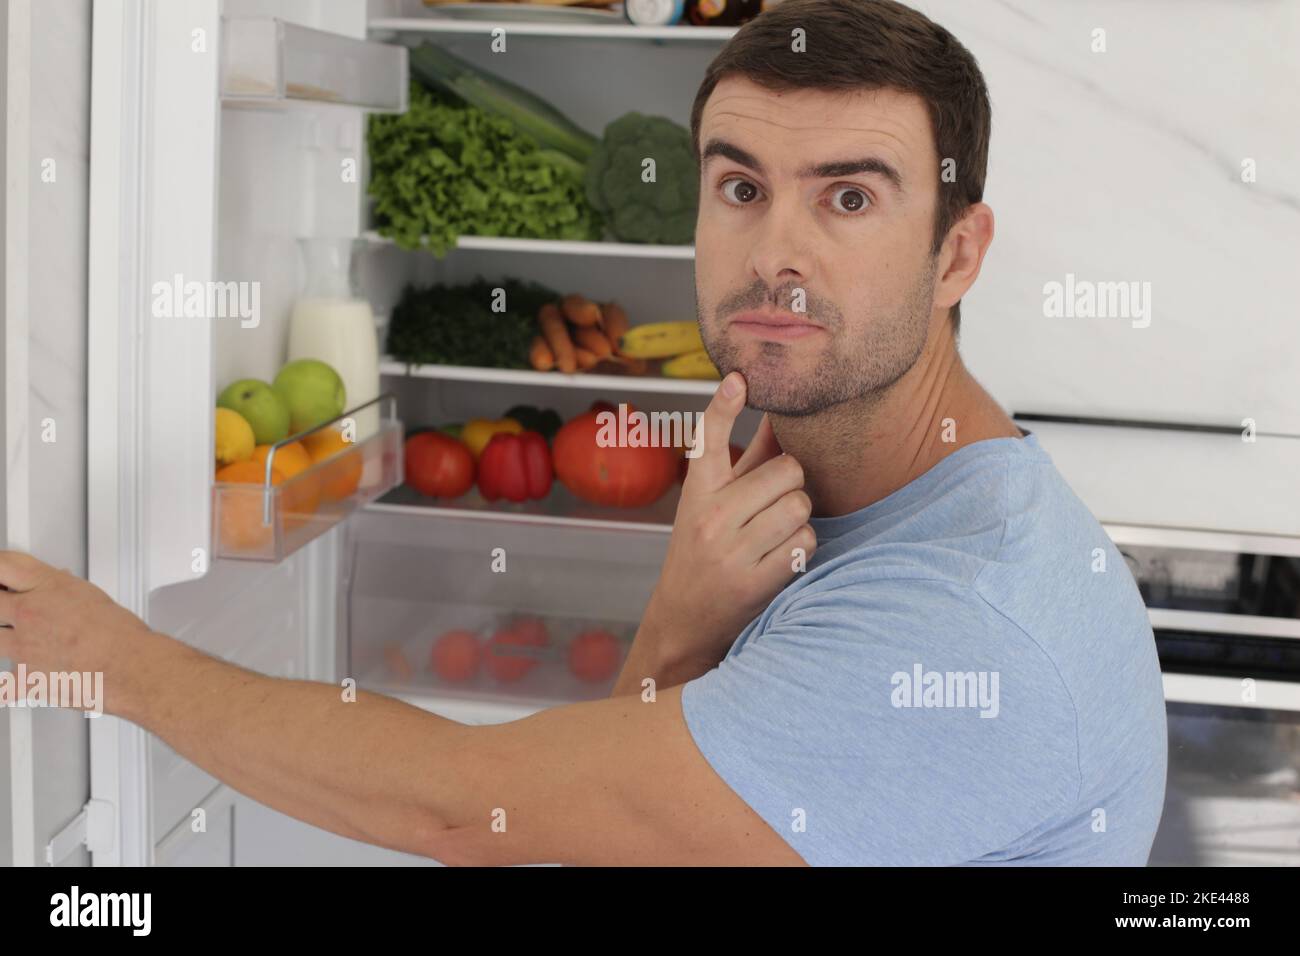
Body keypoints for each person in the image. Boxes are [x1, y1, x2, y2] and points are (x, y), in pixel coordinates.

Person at [0, 0, 1166, 865]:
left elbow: (462, 802)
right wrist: (680, 619)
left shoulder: (961, 630)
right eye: (741, 187)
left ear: (957, 251)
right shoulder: (862, 498)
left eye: (849, 196)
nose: (775, 253)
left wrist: (114, 658)